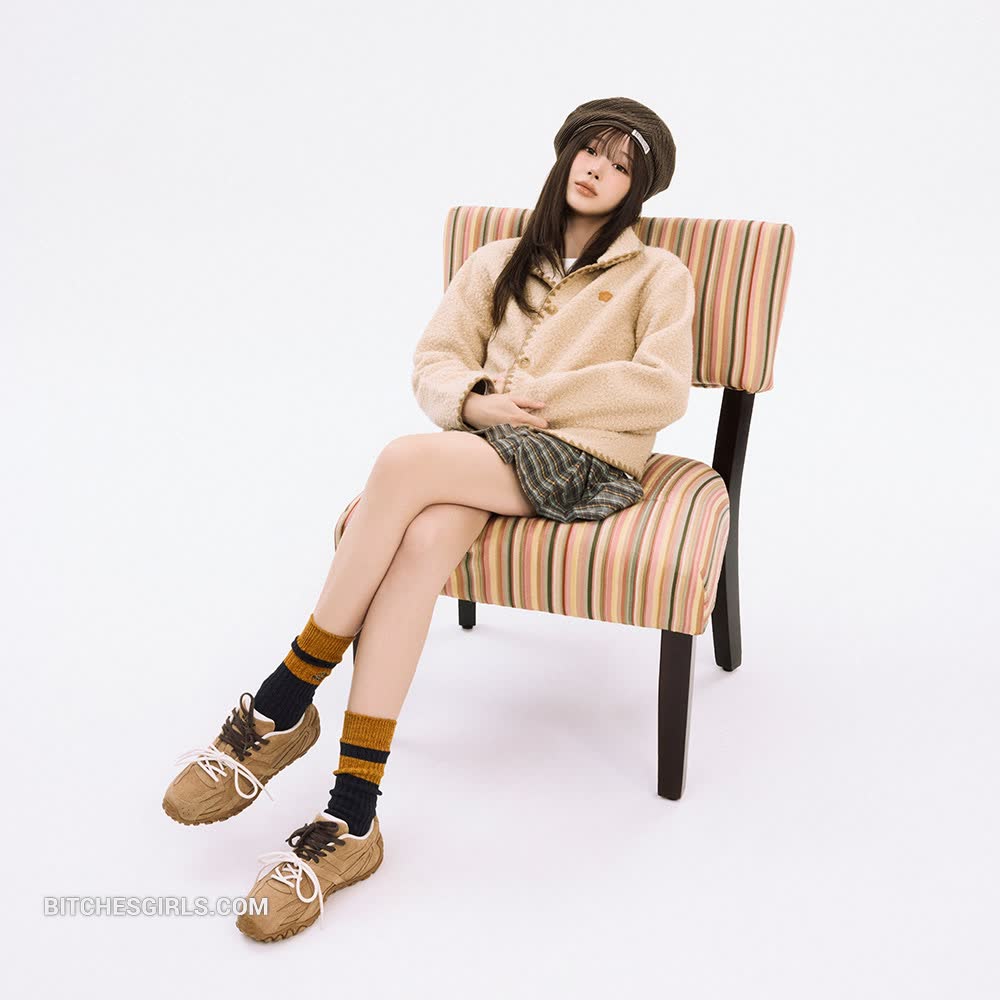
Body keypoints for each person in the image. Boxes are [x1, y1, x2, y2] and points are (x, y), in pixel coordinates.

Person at [161, 96, 696, 943]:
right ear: (565, 156)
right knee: (420, 544)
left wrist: (539, 397)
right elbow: (435, 359)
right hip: (484, 449)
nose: (598, 170)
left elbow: (663, 386)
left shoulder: (656, 274)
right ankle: (353, 819)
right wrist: (477, 403)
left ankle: (283, 699)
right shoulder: (497, 261)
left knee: (402, 462)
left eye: (621, 165)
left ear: (639, 187)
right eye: (589, 152)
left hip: (584, 460)